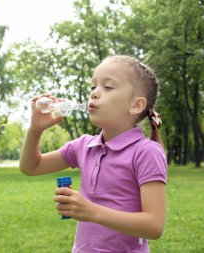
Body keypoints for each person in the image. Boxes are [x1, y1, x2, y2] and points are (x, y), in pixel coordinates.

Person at [20, 55, 167, 253]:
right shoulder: (83, 147)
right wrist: (35, 130)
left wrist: (91, 211)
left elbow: (154, 226)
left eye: (108, 87)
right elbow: (31, 167)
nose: (94, 93)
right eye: (93, 87)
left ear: (136, 105)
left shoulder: (146, 152)